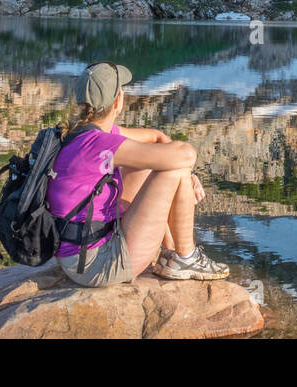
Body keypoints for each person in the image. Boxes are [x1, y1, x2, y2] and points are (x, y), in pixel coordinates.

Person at [47, 60, 230, 286]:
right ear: (118, 102)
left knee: (148, 162)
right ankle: (186, 257)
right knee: (173, 170)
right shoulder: (100, 146)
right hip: (97, 265)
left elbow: (155, 137)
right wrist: (187, 174)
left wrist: (186, 172)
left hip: (79, 257)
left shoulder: (81, 135)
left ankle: (171, 253)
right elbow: (186, 154)